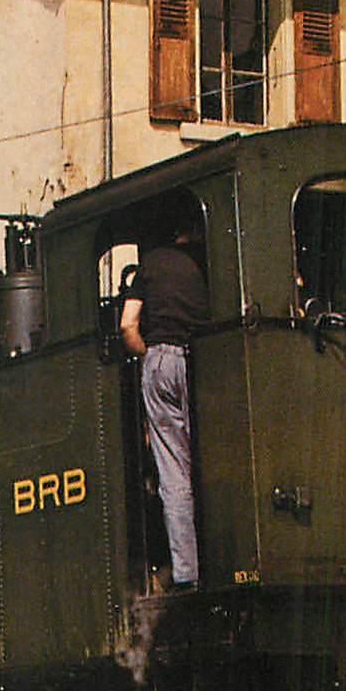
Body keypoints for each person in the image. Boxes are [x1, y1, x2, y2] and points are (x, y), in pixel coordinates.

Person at [119, 212, 209, 592]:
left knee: (173, 471)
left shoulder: (151, 265)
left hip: (161, 358)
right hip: (202, 361)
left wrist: (147, 356)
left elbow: (127, 324)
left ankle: (186, 571)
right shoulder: (204, 263)